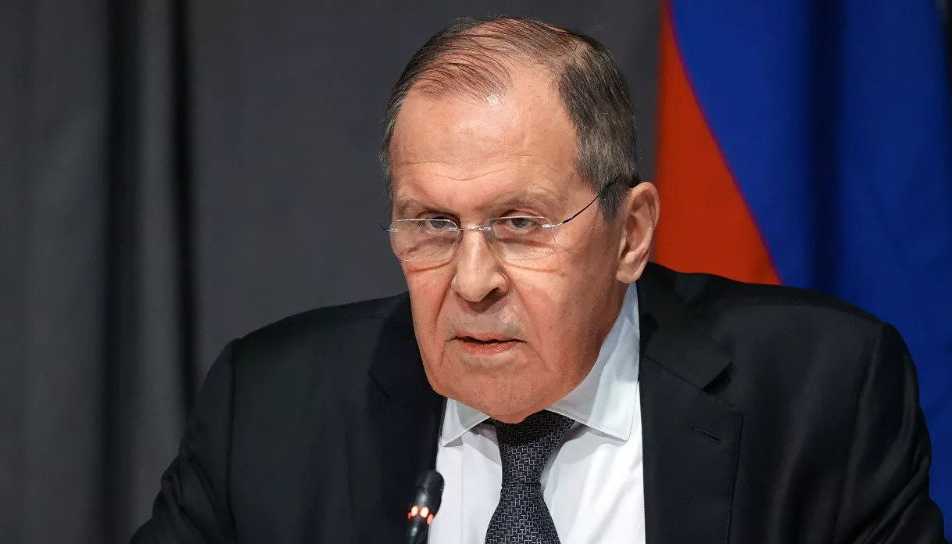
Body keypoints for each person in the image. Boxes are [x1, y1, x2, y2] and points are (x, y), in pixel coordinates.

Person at [131, 16, 946, 543]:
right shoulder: (270, 408)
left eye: (520, 224)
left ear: (631, 234)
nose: (472, 281)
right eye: (433, 224)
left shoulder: (820, 393)